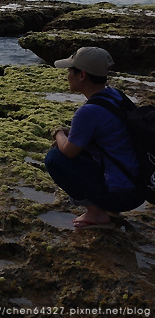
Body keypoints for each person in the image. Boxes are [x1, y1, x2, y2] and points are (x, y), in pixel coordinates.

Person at [44, 47, 145, 229]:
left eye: (69, 70)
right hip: (138, 187)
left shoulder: (88, 112)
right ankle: (107, 208)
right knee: (76, 147)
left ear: (82, 75)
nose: (67, 75)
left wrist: (58, 133)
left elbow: (69, 151)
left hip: (122, 195)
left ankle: (96, 213)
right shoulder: (116, 96)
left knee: (54, 158)